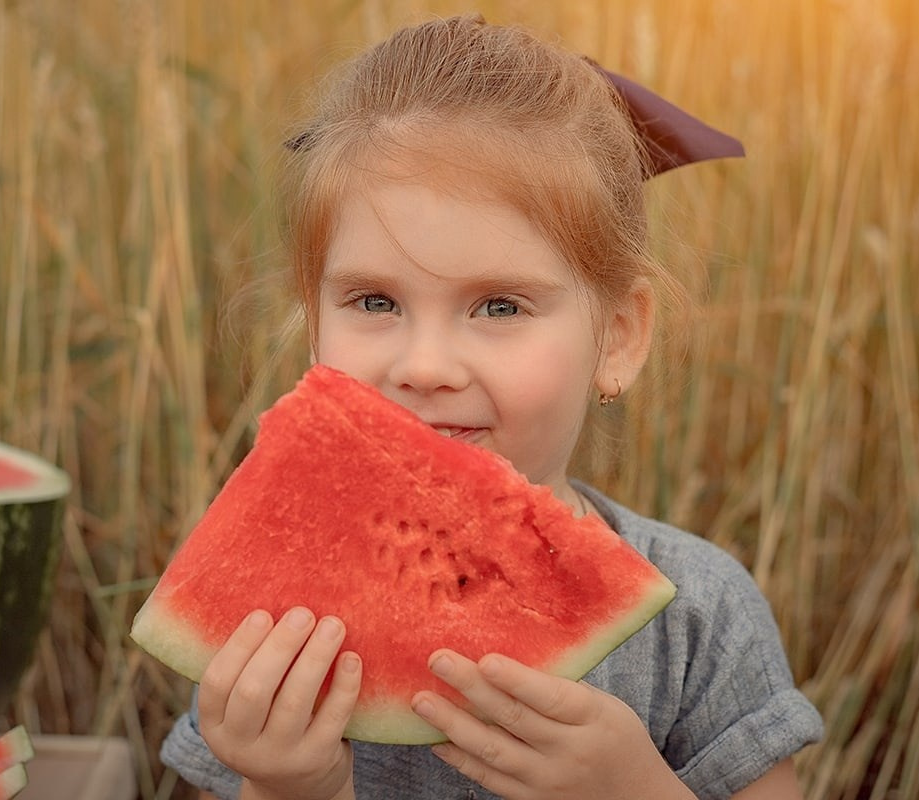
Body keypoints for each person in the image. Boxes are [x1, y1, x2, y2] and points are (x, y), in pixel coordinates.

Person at [159, 13, 823, 800]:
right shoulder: (278, 618)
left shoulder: (702, 617)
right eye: (375, 300)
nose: (426, 365)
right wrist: (287, 786)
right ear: (313, 324)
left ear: (618, 337)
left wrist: (634, 790)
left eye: (500, 307)